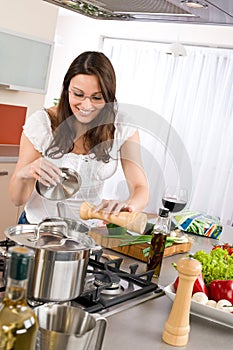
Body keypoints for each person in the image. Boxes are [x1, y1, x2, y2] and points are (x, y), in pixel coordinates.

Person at [9, 51, 149, 224]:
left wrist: (129, 206)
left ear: (109, 95)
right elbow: (17, 200)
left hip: (86, 234)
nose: (86, 105)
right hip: (38, 229)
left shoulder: (121, 126)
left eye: (97, 97)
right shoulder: (41, 124)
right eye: (78, 94)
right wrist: (26, 173)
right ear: (67, 89)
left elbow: (140, 187)